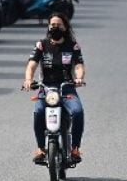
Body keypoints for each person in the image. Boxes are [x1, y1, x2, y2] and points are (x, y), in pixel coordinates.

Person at [22, 12, 86, 164]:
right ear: (48, 27)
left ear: (65, 27)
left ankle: (75, 148)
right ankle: (40, 148)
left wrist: (79, 78)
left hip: (67, 88)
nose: (55, 28)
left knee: (77, 112)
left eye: (59, 25)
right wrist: (28, 79)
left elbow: (78, 65)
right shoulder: (42, 45)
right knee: (38, 112)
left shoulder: (72, 45)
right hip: (46, 88)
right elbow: (32, 64)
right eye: (53, 25)